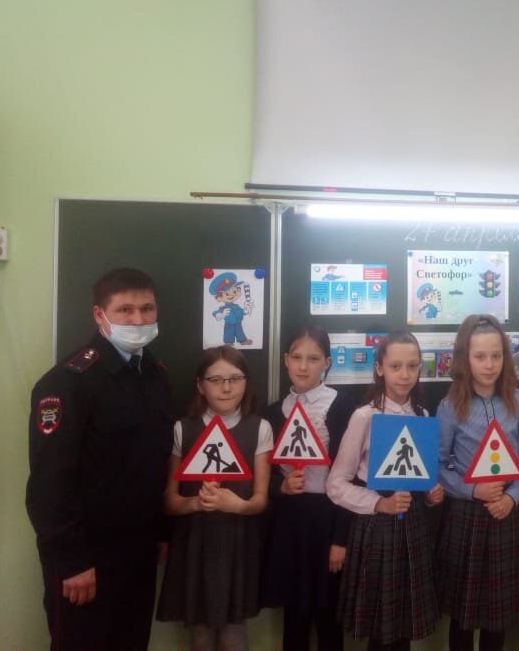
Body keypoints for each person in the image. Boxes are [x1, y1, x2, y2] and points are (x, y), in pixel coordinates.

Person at [26, 267, 173, 650]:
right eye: (125, 310)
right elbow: (49, 483)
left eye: (147, 309)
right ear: (99, 315)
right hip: (85, 557)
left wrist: (161, 531)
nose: (138, 319)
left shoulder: (156, 376)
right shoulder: (68, 382)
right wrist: (72, 561)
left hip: (139, 552)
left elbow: (154, 463)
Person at [326, 332, 445, 651]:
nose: (404, 374)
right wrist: (379, 504)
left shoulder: (422, 416)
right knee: (380, 628)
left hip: (413, 524)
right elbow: (336, 484)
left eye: (412, 366)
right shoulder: (365, 417)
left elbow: (422, 474)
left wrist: (431, 492)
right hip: (376, 526)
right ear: (379, 369)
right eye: (395, 366)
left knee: (404, 623)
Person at [157, 347, 273, 650]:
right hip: (195, 543)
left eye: (235, 378)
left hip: (238, 542)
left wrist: (238, 505)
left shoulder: (260, 428)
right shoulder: (183, 429)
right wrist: (197, 503)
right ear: (200, 385)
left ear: (246, 383)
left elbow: (261, 500)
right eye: (216, 379)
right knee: (201, 635)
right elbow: (169, 501)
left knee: (234, 632)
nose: (226, 388)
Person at [435, 314, 519, 651]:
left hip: (505, 514)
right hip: (466, 515)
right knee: (462, 615)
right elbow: (438, 465)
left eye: (496, 355)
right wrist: (472, 490)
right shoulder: (450, 405)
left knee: (498, 614)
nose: (489, 364)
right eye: (480, 356)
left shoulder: (518, 401)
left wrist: (512, 497)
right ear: (465, 359)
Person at [261, 326, 357, 651]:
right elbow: (262, 474)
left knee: (329, 614)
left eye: (313, 359)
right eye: (296, 357)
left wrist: (341, 539)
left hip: (329, 518)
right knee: (295, 615)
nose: (303, 366)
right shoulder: (273, 412)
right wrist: (282, 486)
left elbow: (353, 476)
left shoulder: (344, 407)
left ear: (327, 363)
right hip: (289, 522)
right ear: (285, 360)